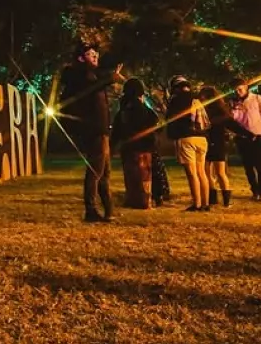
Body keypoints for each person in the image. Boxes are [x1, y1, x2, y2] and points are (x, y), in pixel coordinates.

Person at [59, 42, 125, 222]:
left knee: (104, 172)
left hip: (101, 129)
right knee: (96, 171)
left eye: (96, 53)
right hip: (94, 130)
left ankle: (109, 210)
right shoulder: (80, 75)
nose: (95, 56)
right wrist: (112, 77)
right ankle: (91, 210)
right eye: (90, 54)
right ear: (81, 58)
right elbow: (91, 87)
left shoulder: (91, 75)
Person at [112, 78, 159, 209]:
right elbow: (155, 123)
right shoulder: (144, 109)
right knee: (144, 175)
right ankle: (145, 200)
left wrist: (113, 145)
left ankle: (133, 199)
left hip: (129, 147)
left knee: (131, 175)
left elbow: (117, 129)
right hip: (145, 147)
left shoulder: (124, 110)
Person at [165, 76, 210, 212]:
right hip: (202, 139)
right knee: (201, 172)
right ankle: (205, 203)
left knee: (192, 173)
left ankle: (196, 204)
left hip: (186, 139)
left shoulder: (176, 100)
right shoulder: (197, 99)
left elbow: (170, 119)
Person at [230, 76, 261, 203]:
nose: (238, 92)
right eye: (235, 90)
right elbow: (232, 121)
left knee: (260, 166)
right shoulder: (233, 103)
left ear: (246, 88)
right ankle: (255, 191)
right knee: (248, 167)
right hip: (242, 139)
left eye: (240, 89)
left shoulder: (257, 99)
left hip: (257, 137)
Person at [199, 86, 239, 208]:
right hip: (208, 142)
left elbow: (232, 124)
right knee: (207, 172)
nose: (201, 98)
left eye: (203, 96)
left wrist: (247, 134)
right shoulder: (206, 110)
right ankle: (213, 198)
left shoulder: (217, 111)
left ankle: (225, 200)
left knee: (220, 172)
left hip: (216, 142)